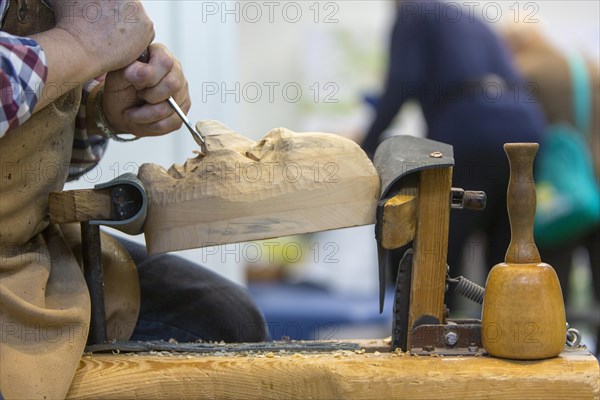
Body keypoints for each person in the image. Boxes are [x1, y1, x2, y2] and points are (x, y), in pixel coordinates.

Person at [0, 1, 267, 398]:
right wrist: (78, 44)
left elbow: (26, 166)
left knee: (224, 320)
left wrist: (101, 111)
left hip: (27, 246)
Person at [362, 0, 546, 309]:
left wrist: (367, 144)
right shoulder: (472, 20)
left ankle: (430, 337)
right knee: (508, 254)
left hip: (471, 131)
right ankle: (515, 337)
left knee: (434, 251)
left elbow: (402, 83)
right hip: (527, 129)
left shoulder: (413, 13)